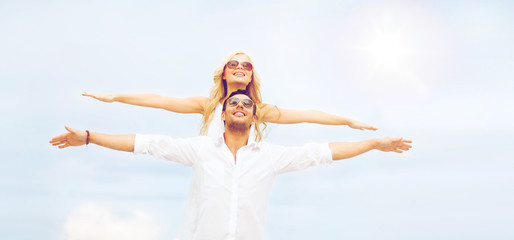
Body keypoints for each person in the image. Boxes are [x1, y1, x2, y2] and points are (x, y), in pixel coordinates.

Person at [50, 90, 412, 240]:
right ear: (222, 114)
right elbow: (144, 144)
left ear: (255, 117)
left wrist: (374, 143)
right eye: (233, 104)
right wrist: (88, 136)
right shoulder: (199, 150)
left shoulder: (270, 157)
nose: (240, 106)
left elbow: (324, 151)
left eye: (247, 105)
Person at [82, 51, 377, 142]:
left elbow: (311, 115)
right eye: (233, 64)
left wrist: (347, 121)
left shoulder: (261, 110)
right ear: (224, 73)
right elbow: (157, 99)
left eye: (246, 65)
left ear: (250, 76)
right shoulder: (207, 106)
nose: (239, 67)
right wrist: (113, 97)